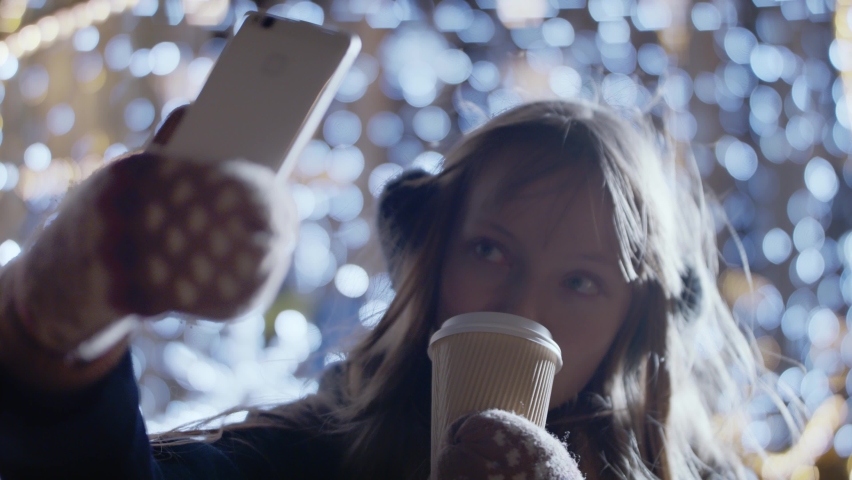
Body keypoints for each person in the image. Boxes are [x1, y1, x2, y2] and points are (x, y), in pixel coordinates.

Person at [0, 99, 782, 479]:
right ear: (431, 255)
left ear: (636, 319)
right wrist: (58, 336)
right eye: (489, 250)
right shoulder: (313, 456)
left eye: (581, 281)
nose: (519, 307)